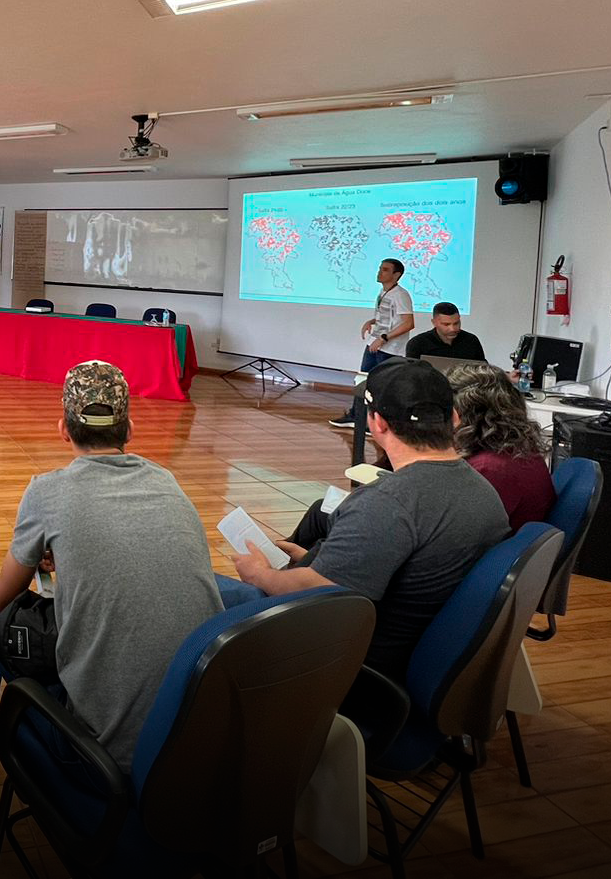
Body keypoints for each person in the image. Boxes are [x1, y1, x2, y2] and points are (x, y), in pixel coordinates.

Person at [0, 361, 223, 772]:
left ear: (63, 429)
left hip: (108, 760)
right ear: (129, 429)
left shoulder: (47, 492)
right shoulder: (166, 480)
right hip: (199, 746)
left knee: (6, 623)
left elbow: (4, 591)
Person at [234, 358, 510, 683]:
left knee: (220, 594)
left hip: (359, 665)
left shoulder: (387, 502)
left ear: (377, 423)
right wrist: (317, 563)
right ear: (453, 417)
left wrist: (260, 575)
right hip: (429, 656)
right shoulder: (484, 489)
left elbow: (316, 593)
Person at [447, 362, 556, 532]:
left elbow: (453, 534)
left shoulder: (489, 469)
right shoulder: (514, 448)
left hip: (486, 552)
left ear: (461, 413)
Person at [328, 259, 414, 428]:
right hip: (375, 344)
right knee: (363, 380)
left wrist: (384, 338)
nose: (380, 272)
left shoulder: (401, 295)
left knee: (380, 385)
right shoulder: (383, 292)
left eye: (385, 270)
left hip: (389, 349)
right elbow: (391, 317)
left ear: (396, 275)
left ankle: (376, 424)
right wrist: (372, 321)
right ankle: (356, 416)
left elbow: (408, 323)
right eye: (380, 268)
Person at [404, 301, 486, 361]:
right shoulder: (418, 343)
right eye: (446, 324)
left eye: (456, 323)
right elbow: (411, 374)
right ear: (434, 322)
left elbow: (483, 370)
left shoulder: (471, 340)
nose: (453, 329)